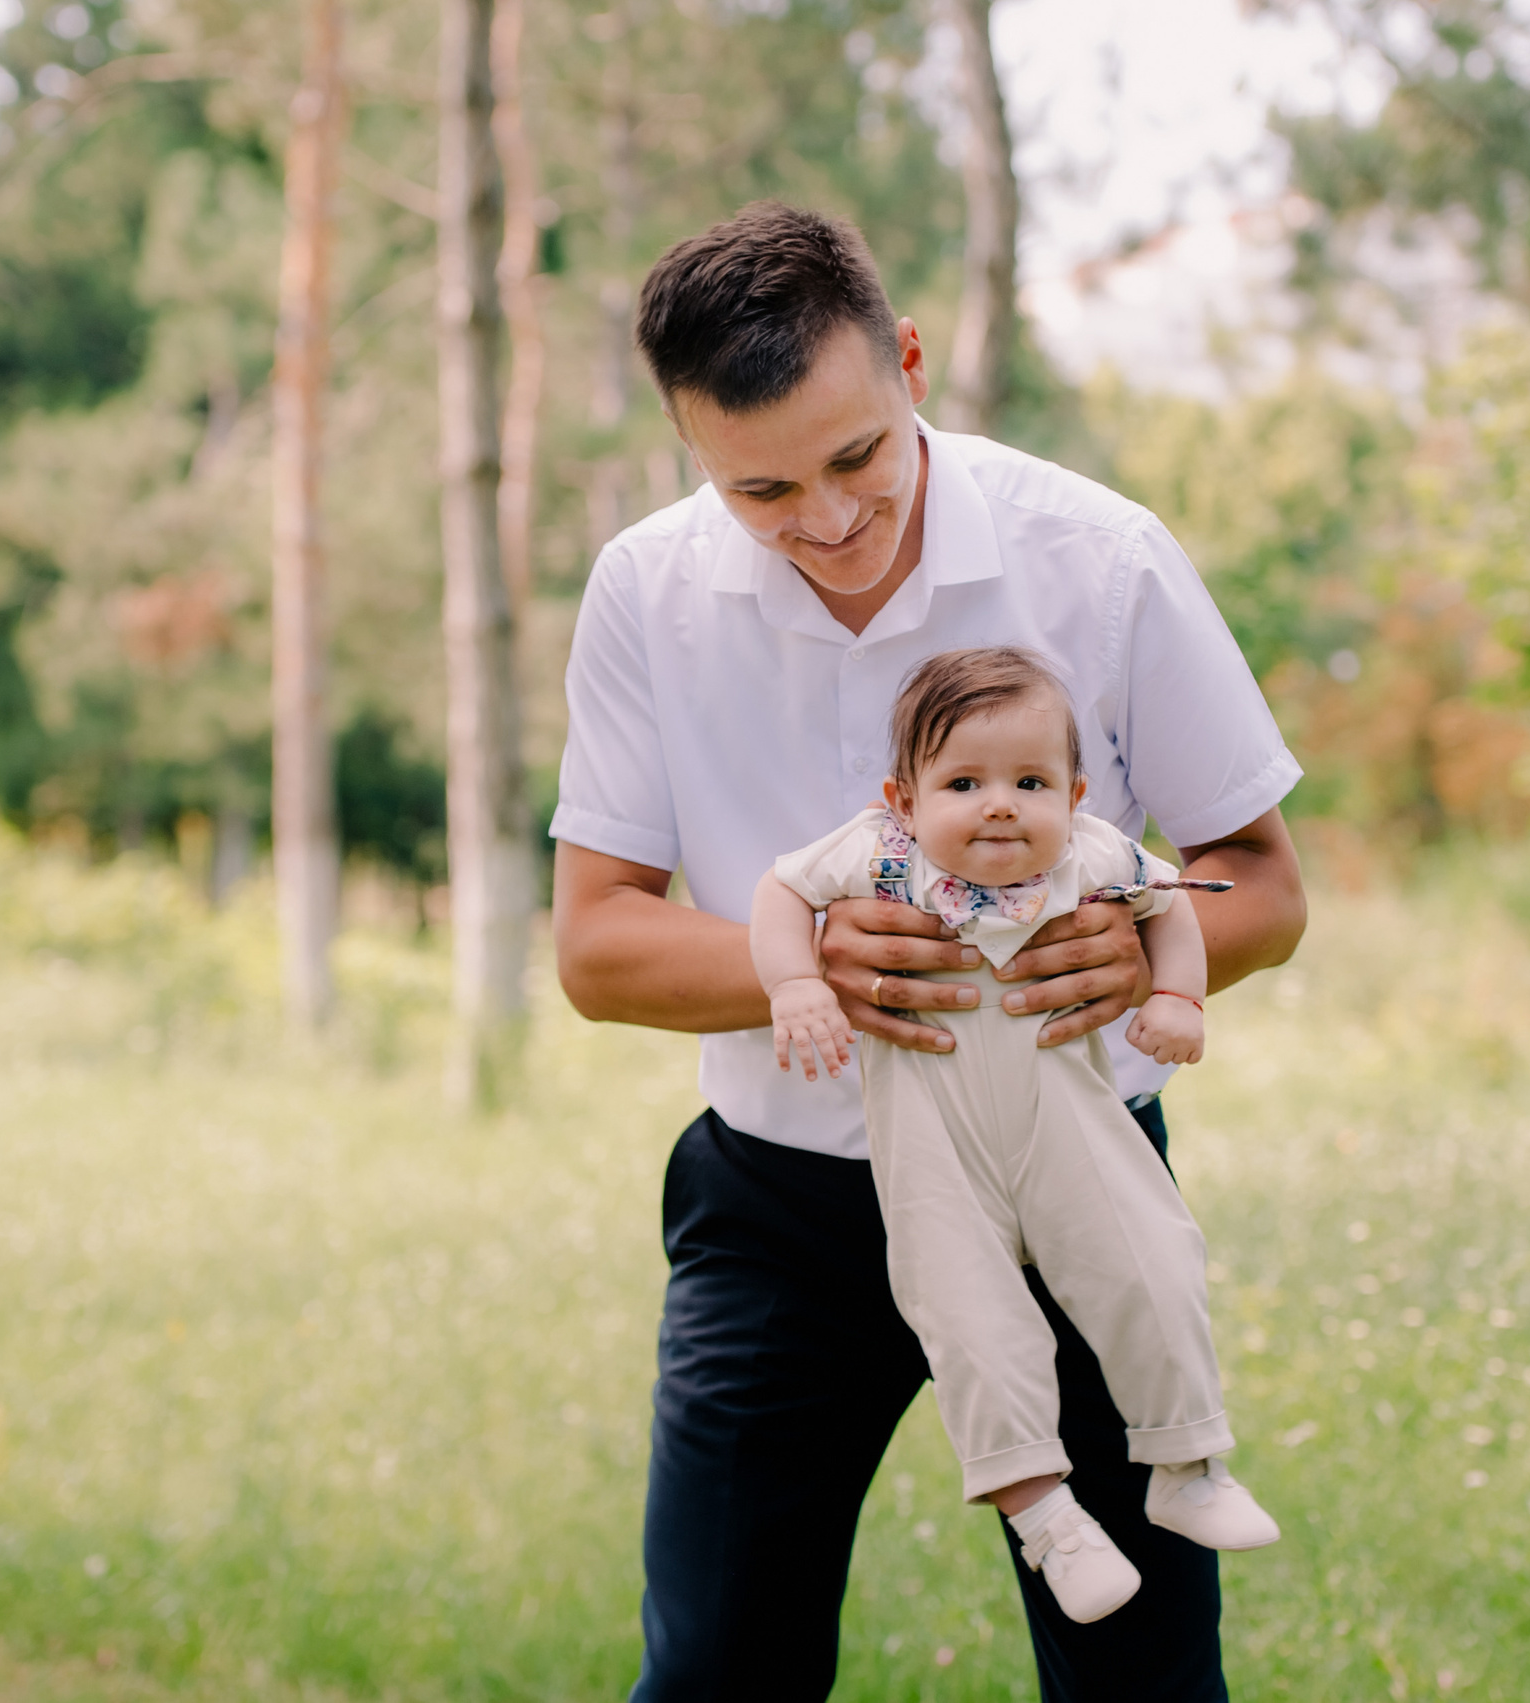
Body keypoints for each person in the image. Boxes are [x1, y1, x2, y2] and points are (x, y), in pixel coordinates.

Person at [550, 200, 1307, 1702]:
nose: (827, 520)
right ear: (689, 443)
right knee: (714, 1672)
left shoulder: (1099, 560)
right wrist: (814, 964)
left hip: (1068, 1166)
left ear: (906, 361)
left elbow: (1262, 884)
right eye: (760, 487)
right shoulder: (645, 589)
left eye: (856, 458)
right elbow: (598, 942)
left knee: (1142, 1675)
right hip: (779, 1204)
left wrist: (1157, 957)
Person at [752, 645, 1283, 1627]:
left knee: (1153, 1261)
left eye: (1029, 781)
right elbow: (780, 892)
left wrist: (1177, 992)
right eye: (964, 781)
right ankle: (1049, 1522)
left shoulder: (1092, 853)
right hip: (933, 1148)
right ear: (901, 796)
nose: (1000, 804)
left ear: (1075, 792)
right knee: (973, 1325)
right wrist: (793, 982)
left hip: (1070, 1126)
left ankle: (1186, 1462)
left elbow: (1174, 909)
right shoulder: (876, 856)